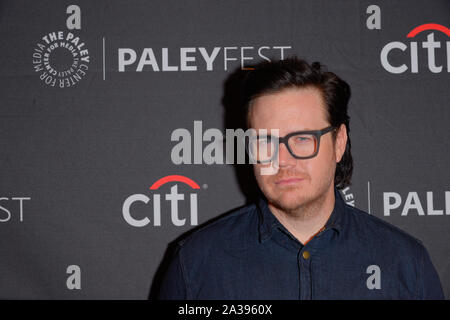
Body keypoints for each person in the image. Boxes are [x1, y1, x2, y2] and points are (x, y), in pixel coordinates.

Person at [157, 57, 444, 299]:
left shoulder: (405, 264)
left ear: (339, 142)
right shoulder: (196, 265)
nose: (282, 159)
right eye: (266, 141)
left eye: (303, 139)